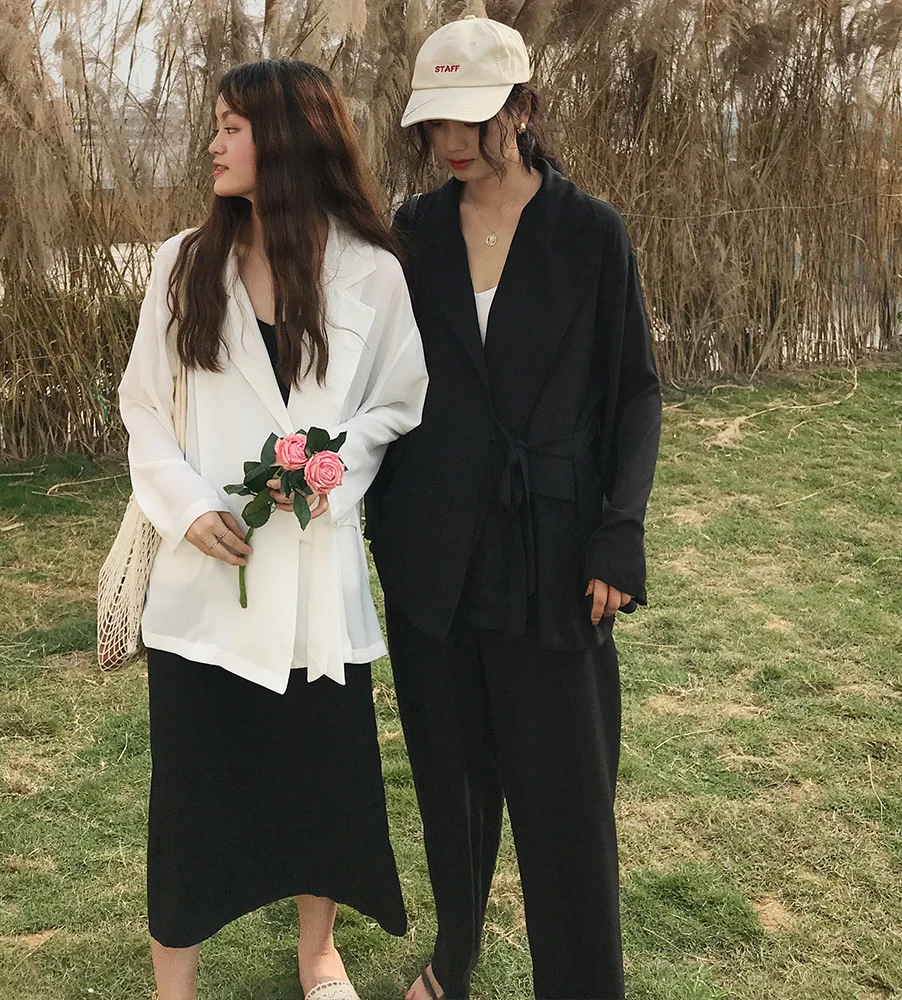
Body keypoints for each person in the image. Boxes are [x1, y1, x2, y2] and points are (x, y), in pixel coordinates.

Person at [364, 16, 661, 1000]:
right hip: (433, 554)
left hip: (555, 552)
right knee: (450, 790)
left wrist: (619, 532)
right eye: (434, 122)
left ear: (523, 108)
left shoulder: (591, 233)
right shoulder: (411, 232)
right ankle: (453, 958)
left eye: (471, 118)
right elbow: (374, 376)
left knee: (565, 801)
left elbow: (635, 394)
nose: (450, 141)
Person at [118, 59, 428, 1000]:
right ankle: (173, 985)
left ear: (288, 138)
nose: (212, 144)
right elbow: (143, 407)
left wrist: (331, 471)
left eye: (231, 127)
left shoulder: (373, 272)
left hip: (314, 584)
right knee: (192, 801)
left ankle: (318, 954)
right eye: (215, 126)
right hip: (207, 582)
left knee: (319, 785)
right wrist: (187, 506)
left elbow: (398, 402)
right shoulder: (183, 263)